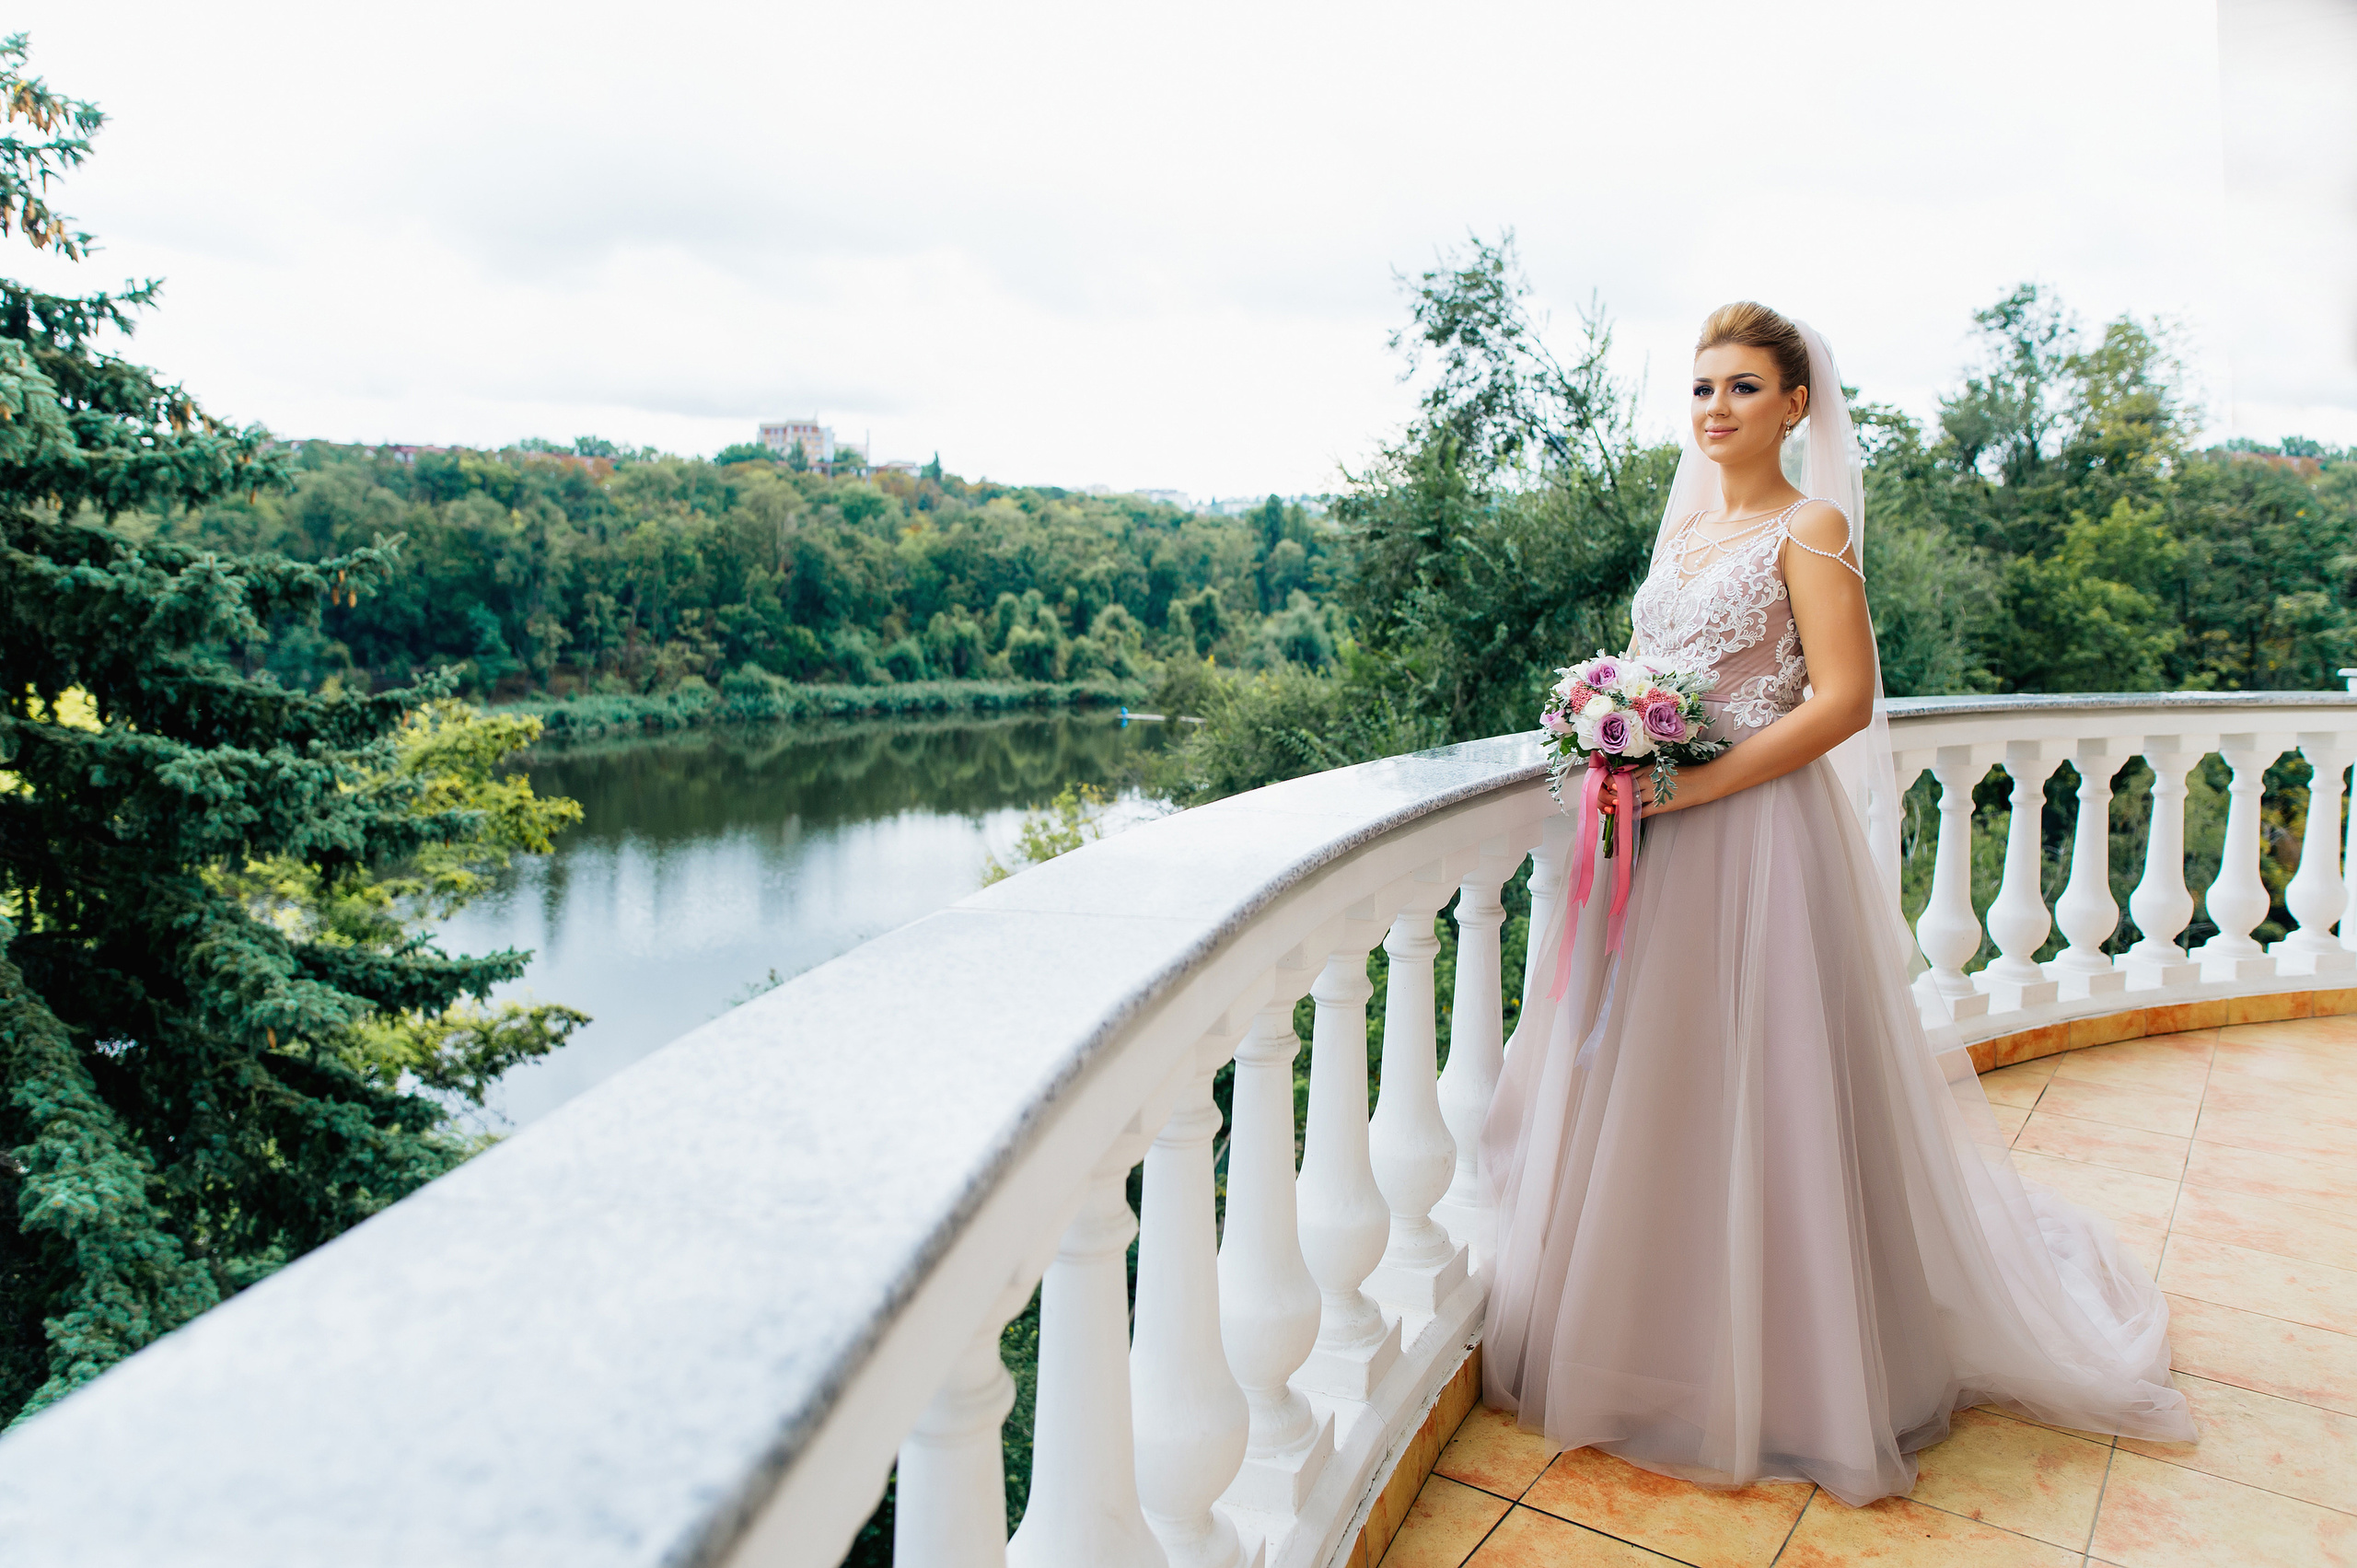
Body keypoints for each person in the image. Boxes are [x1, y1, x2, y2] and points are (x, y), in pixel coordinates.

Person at [1478, 303, 2195, 1506]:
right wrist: (1616, 731)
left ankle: (1794, 1369)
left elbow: (1842, 701)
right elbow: (1673, 669)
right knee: (1669, 1083)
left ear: (1797, 406)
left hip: (1756, 842)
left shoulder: (1811, 530)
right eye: (1703, 388)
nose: (1717, 410)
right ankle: (1663, 1338)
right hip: (1665, 849)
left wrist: (1694, 783)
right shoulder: (1693, 535)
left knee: (1771, 1088)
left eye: (1745, 388)